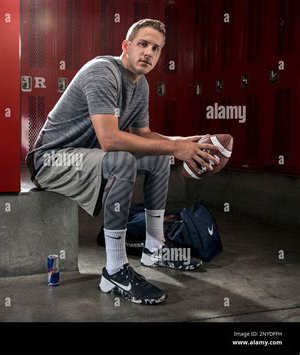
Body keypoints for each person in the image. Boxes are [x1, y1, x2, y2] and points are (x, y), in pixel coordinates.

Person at [26, 19, 219, 305]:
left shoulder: (141, 85)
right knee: (122, 161)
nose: (148, 53)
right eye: (143, 44)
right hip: (53, 159)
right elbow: (110, 140)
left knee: (158, 158)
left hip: (90, 157)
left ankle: (155, 249)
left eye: (156, 48)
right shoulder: (102, 72)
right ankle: (115, 269)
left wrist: (185, 141)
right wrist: (175, 146)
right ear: (126, 46)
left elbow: (144, 135)